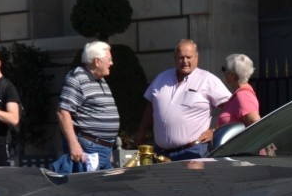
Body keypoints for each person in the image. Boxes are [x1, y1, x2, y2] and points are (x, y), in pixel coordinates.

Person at [134, 39, 230, 161]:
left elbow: (230, 107)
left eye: (188, 57)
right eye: (181, 57)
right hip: (160, 153)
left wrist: (215, 130)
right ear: (175, 58)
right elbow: (151, 106)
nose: (185, 61)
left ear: (196, 57)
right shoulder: (161, 78)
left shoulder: (207, 80)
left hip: (192, 152)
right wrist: (141, 131)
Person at [56, 40, 120, 171]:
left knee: (104, 190)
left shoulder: (99, 79)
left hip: (103, 149)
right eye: (109, 59)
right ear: (97, 61)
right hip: (89, 149)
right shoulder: (77, 78)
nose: (112, 63)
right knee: (88, 190)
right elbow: (63, 112)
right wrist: (74, 145)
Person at [215, 53, 261, 133]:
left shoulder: (243, 96)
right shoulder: (240, 94)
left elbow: (257, 126)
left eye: (224, 69)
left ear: (232, 74)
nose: (223, 72)